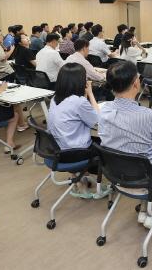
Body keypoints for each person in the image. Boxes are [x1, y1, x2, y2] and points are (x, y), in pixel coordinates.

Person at [98, 61, 152, 230]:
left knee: (138, 158)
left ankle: (145, 210)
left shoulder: (105, 111)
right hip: (146, 179)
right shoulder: (147, 115)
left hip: (117, 177)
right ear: (136, 83)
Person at [48, 63, 103, 199]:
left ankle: (79, 177)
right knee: (105, 145)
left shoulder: (55, 98)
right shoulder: (78, 102)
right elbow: (97, 119)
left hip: (57, 150)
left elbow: (77, 113)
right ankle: (96, 183)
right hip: (74, 153)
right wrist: (90, 93)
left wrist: (84, 96)